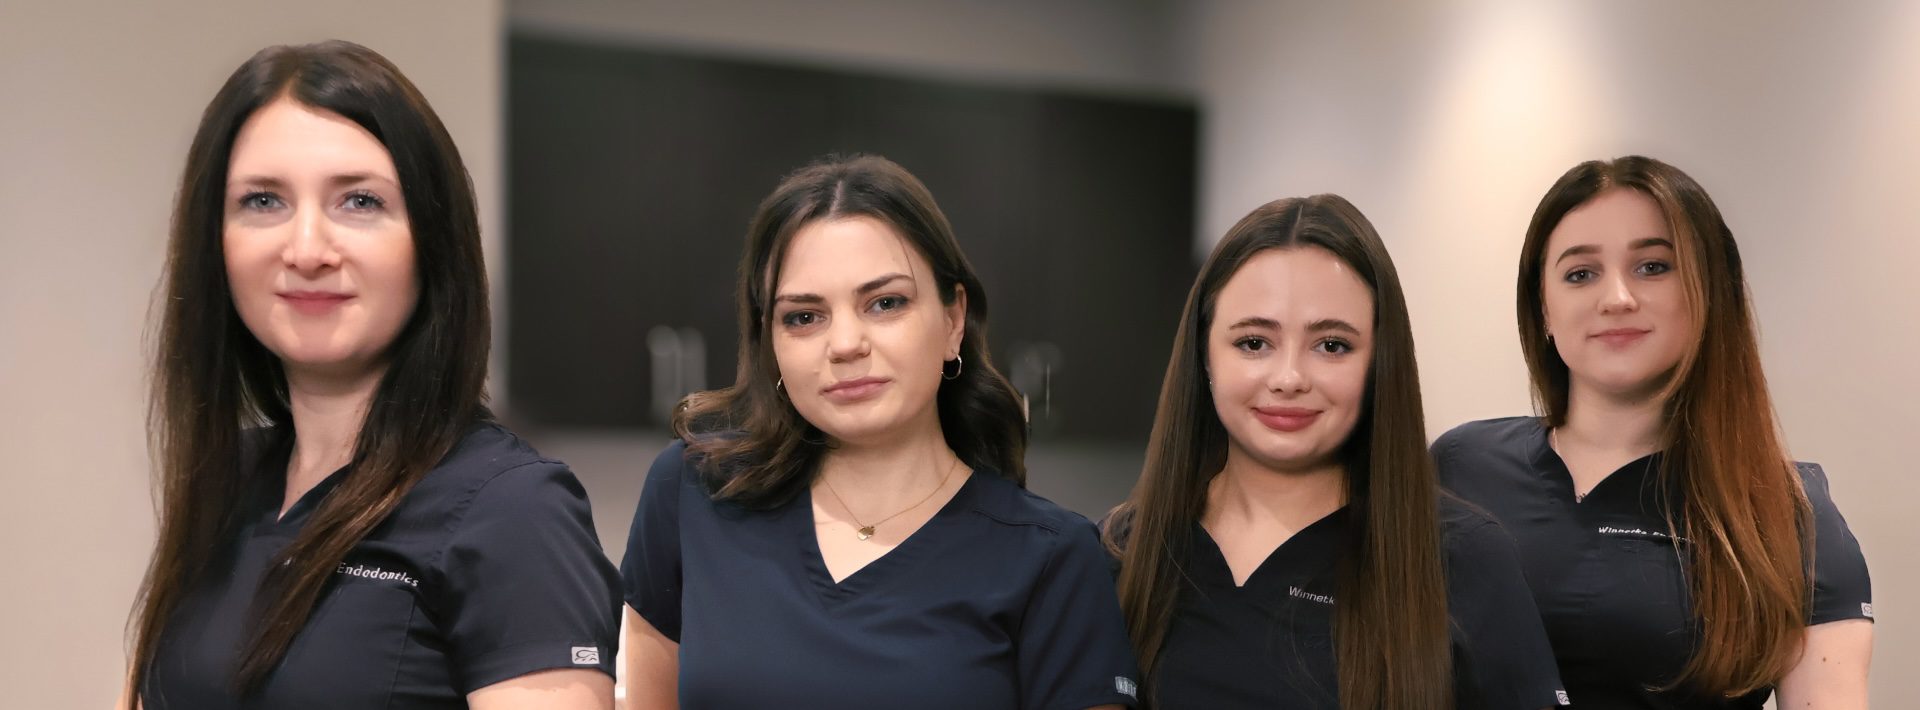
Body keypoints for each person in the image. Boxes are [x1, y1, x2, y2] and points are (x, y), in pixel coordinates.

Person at [125, 41, 620, 709]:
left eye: (359, 201)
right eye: (263, 200)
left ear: (432, 240)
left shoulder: (512, 510)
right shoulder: (230, 478)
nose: (306, 249)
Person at [619, 154, 1138, 709]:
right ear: (770, 340)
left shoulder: (1052, 557)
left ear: (953, 320)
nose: (845, 344)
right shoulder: (693, 491)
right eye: (803, 316)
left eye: (885, 303)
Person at [1434, 155, 1873, 708]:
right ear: (1543, 308)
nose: (1617, 298)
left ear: (1708, 291)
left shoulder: (1788, 513)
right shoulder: (1459, 468)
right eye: (1580, 273)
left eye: (1653, 266)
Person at [1105, 195, 1568, 710]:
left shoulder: (1461, 559)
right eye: (1254, 343)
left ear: (1380, 363)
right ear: (1204, 355)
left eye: (1332, 346)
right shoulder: (1123, 552)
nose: (1289, 378)